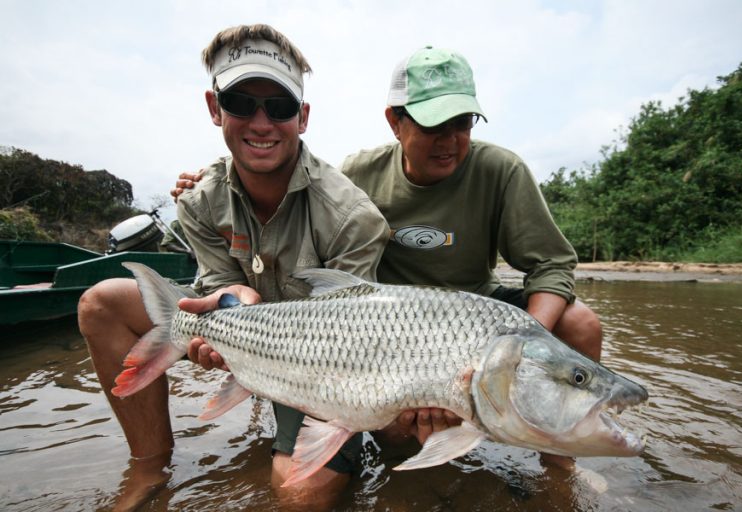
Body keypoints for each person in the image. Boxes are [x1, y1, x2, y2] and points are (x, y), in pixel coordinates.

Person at [172, 45, 602, 473]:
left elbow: (552, 266)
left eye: (462, 122)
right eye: (433, 124)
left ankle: (559, 465)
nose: (449, 140)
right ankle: (400, 459)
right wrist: (210, 178)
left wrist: (520, 355)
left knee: (580, 324)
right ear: (395, 121)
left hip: (479, 315)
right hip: (390, 325)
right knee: (398, 433)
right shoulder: (358, 174)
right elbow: (293, 183)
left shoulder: (502, 171)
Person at [78, 23, 389, 511]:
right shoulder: (200, 200)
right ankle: (148, 468)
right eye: (242, 103)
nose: (261, 123)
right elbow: (221, 281)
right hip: (239, 332)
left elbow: (352, 337)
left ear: (302, 117)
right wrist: (230, 300)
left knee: (299, 496)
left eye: (280, 107)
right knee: (102, 302)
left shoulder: (354, 217)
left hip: (322, 369)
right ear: (214, 108)